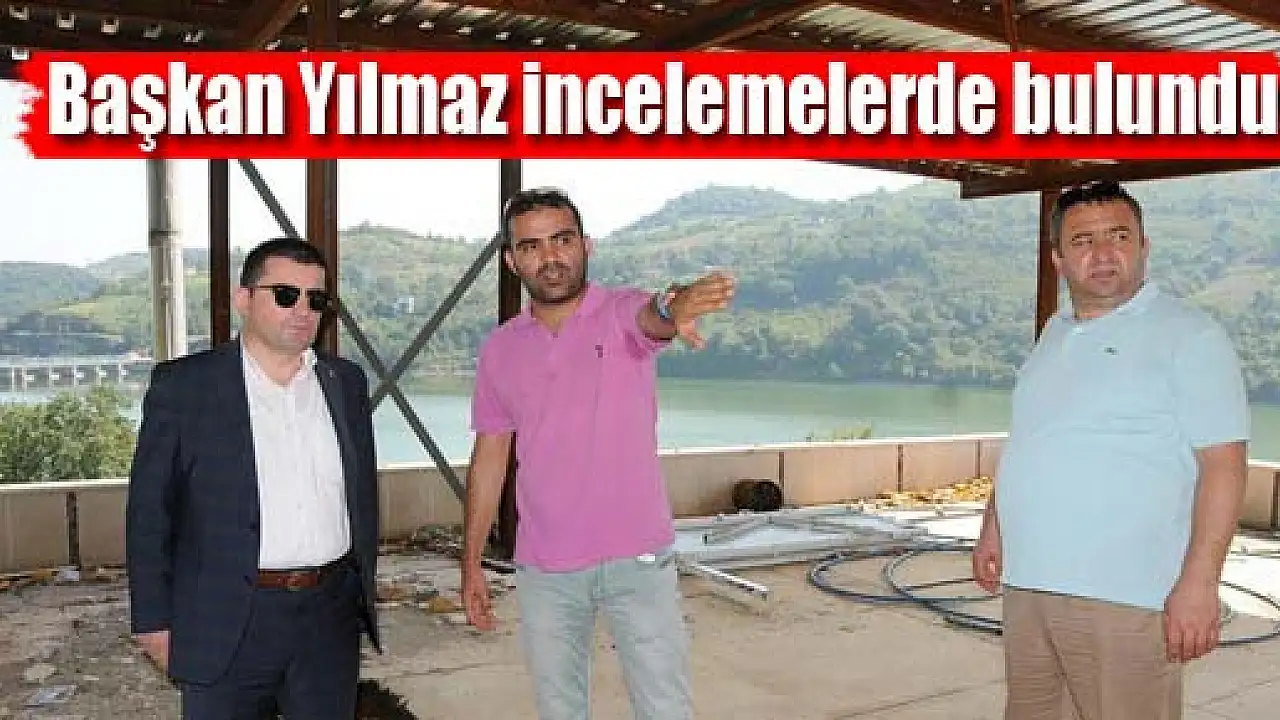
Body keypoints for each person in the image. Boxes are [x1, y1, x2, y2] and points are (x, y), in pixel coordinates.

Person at [972, 180, 1249, 720]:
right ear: (1058, 259)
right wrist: (994, 524)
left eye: (1118, 236)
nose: (1102, 253)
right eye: (1083, 240)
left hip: (1126, 596)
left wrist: (1200, 582)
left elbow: (1224, 467)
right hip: (1029, 584)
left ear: (1144, 246)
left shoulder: (1190, 336)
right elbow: (1032, 438)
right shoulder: (1054, 332)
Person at [460, 187, 735, 719]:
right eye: (532, 246)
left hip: (638, 558)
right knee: (559, 711)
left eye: (562, 240)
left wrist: (674, 306)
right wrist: (471, 562)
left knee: (664, 709)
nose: (550, 257)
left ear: (586, 245)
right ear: (512, 261)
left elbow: (654, 316)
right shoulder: (501, 349)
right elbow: (490, 457)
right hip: (545, 567)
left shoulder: (620, 312)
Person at [125, 238, 381, 719]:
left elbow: (361, 497)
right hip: (226, 618)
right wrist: (153, 623)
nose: (302, 310)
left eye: (316, 299)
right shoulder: (186, 387)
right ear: (244, 299)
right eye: (285, 294)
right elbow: (149, 513)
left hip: (328, 618)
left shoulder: (345, 383)